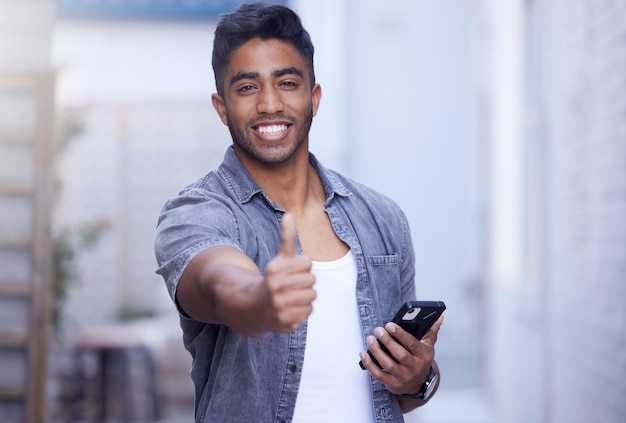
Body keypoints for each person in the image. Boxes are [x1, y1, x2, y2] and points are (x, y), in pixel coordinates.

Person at [154, 2, 443, 422]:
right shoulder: (196, 212)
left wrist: (416, 379)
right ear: (221, 107)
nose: (270, 104)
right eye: (248, 87)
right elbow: (219, 282)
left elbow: (404, 395)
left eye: (287, 82)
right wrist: (261, 302)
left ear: (314, 96)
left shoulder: (383, 218)